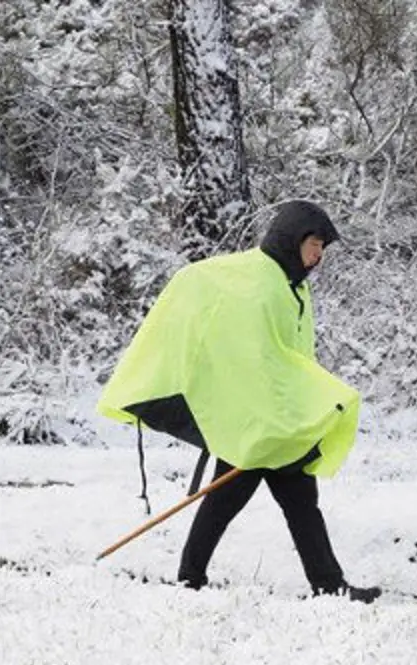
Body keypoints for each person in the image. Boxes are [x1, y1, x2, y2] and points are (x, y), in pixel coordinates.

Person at [98, 200, 380, 603]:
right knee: (230, 502)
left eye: (322, 247)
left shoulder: (292, 286)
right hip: (255, 423)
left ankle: (326, 585)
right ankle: (192, 577)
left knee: (297, 504)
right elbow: (244, 345)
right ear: (292, 240)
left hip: (280, 423)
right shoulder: (258, 284)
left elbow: (291, 357)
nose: (319, 254)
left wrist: (306, 402)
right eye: (315, 244)